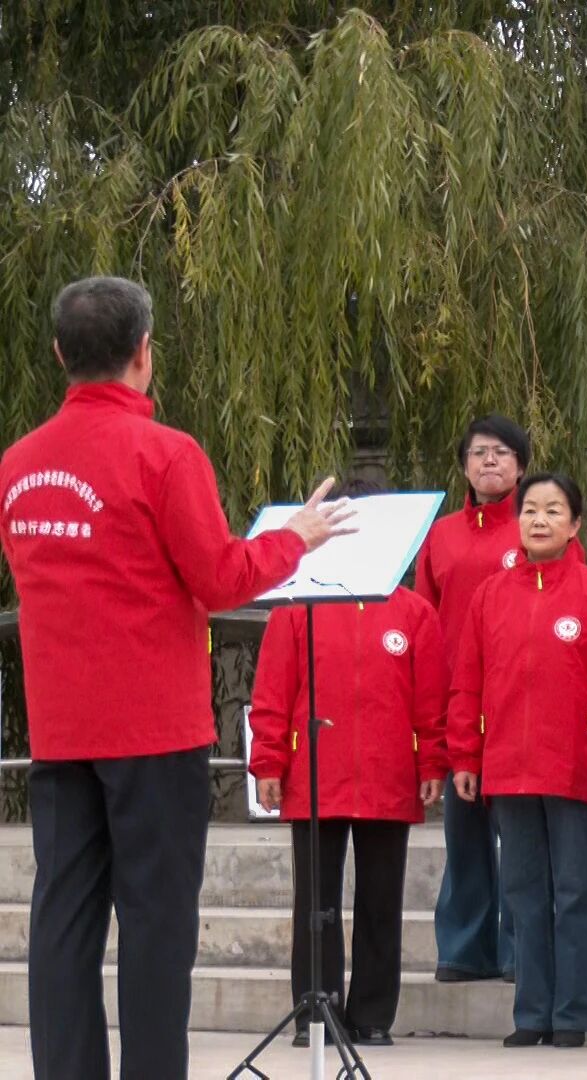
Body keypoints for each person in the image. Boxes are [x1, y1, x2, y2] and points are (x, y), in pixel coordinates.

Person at [0, 275, 352, 1080]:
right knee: (156, 928)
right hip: (154, 729)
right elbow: (221, 578)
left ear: (58, 353)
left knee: (62, 921)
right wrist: (296, 537)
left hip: (61, 727)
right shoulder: (164, 453)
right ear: (143, 351)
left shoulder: (17, 464)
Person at [248, 493, 447, 1047]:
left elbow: (430, 701)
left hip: (389, 774)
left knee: (381, 902)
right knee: (316, 905)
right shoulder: (298, 608)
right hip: (315, 774)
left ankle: (373, 1015)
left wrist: (432, 760)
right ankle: (317, 1014)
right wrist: (268, 761)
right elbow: (272, 694)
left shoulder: (414, 612)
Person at [447, 472, 587, 1049]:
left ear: (575, 525)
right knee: (523, 893)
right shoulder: (490, 596)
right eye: (530, 509)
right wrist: (466, 755)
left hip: (576, 766)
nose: (539, 520)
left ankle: (571, 1014)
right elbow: (468, 683)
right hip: (508, 766)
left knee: (574, 892)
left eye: (554, 510)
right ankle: (531, 1012)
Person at [416, 414, 533, 985]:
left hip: (518, 698)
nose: (490, 461)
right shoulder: (440, 536)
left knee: (519, 833)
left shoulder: (538, 525)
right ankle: (464, 947)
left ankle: (517, 949)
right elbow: (423, 618)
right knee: (463, 831)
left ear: (521, 467)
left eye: (502, 452)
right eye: (479, 452)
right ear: (464, 465)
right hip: (456, 700)